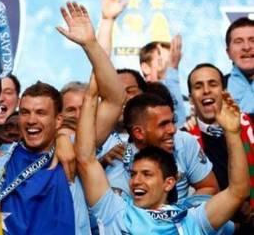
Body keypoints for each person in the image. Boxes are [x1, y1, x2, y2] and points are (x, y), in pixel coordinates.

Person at [0, 1, 125, 234]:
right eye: (25, 112)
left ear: (58, 121)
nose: (31, 120)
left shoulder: (77, 153)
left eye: (41, 113)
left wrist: (91, 45)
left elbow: (114, 99)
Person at [76, 75, 249, 234]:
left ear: (169, 183)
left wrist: (232, 133)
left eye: (147, 174)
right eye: (134, 173)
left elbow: (237, 192)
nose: (135, 180)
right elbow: (85, 159)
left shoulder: (189, 220)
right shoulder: (116, 212)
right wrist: (91, 94)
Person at [186, 63, 254, 231]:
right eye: (198, 86)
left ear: (224, 93)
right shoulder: (183, 139)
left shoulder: (251, 124)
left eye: (213, 84)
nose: (206, 90)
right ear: (191, 98)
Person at [139, 35, 188, 129]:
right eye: (161, 61)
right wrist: (172, 70)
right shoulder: (139, 97)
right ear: (146, 68)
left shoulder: (185, 101)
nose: (168, 67)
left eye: (169, 62)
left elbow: (180, 123)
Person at [225, 17, 254, 113]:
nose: (247, 47)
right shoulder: (216, 88)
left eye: (253, 40)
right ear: (228, 53)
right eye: (238, 42)